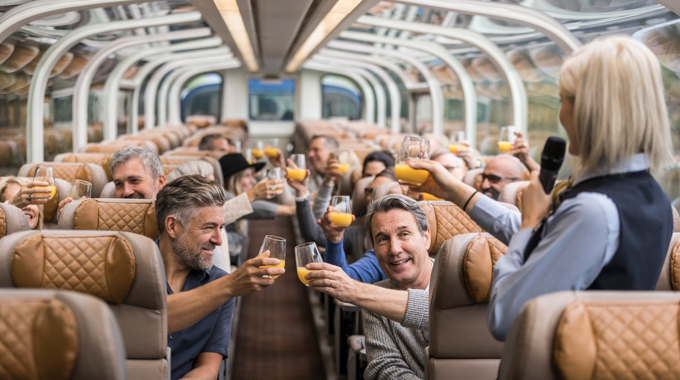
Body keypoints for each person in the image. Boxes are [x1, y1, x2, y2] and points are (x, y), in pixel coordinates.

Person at [304, 36, 676, 344]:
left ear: (593, 111)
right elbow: (556, 239)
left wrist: (530, 224)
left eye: (564, 100)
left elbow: (503, 314)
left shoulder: (595, 210)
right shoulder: (650, 196)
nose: (560, 115)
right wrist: (456, 192)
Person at [155, 175, 284, 380]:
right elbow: (152, 320)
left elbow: (208, 368)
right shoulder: (128, 271)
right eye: (208, 227)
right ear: (172, 226)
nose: (218, 241)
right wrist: (231, 285)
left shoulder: (220, 283)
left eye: (221, 228)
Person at [312, 194, 434, 379]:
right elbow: (384, 367)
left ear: (426, 238)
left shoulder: (462, 282)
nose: (394, 249)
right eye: (383, 239)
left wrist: (358, 291)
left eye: (404, 234)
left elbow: (439, 310)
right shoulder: (375, 299)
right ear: (374, 250)